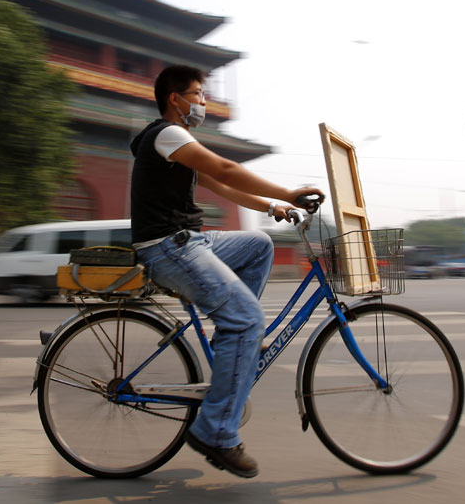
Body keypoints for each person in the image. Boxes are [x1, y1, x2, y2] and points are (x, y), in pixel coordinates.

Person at [129, 65, 324, 478]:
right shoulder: (167, 135)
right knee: (249, 318)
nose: (203, 101)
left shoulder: (178, 144)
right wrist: (288, 190)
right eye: (198, 94)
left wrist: (274, 208)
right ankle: (216, 432)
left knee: (258, 245)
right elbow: (226, 170)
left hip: (188, 241)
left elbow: (224, 188)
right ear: (175, 99)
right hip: (168, 248)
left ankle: (231, 341)